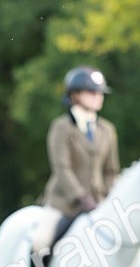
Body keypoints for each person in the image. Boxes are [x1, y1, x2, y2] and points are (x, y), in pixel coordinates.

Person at [41, 66, 120, 218]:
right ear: (75, 95)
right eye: (92, 92)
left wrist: (110, 197)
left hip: (99, 204)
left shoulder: (107, 129)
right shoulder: (61, 127)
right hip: (64, 205)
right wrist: (81, 197)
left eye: (100, 93)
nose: (98, 96)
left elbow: (111, 171)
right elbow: (61, 167)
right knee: (41, 240)